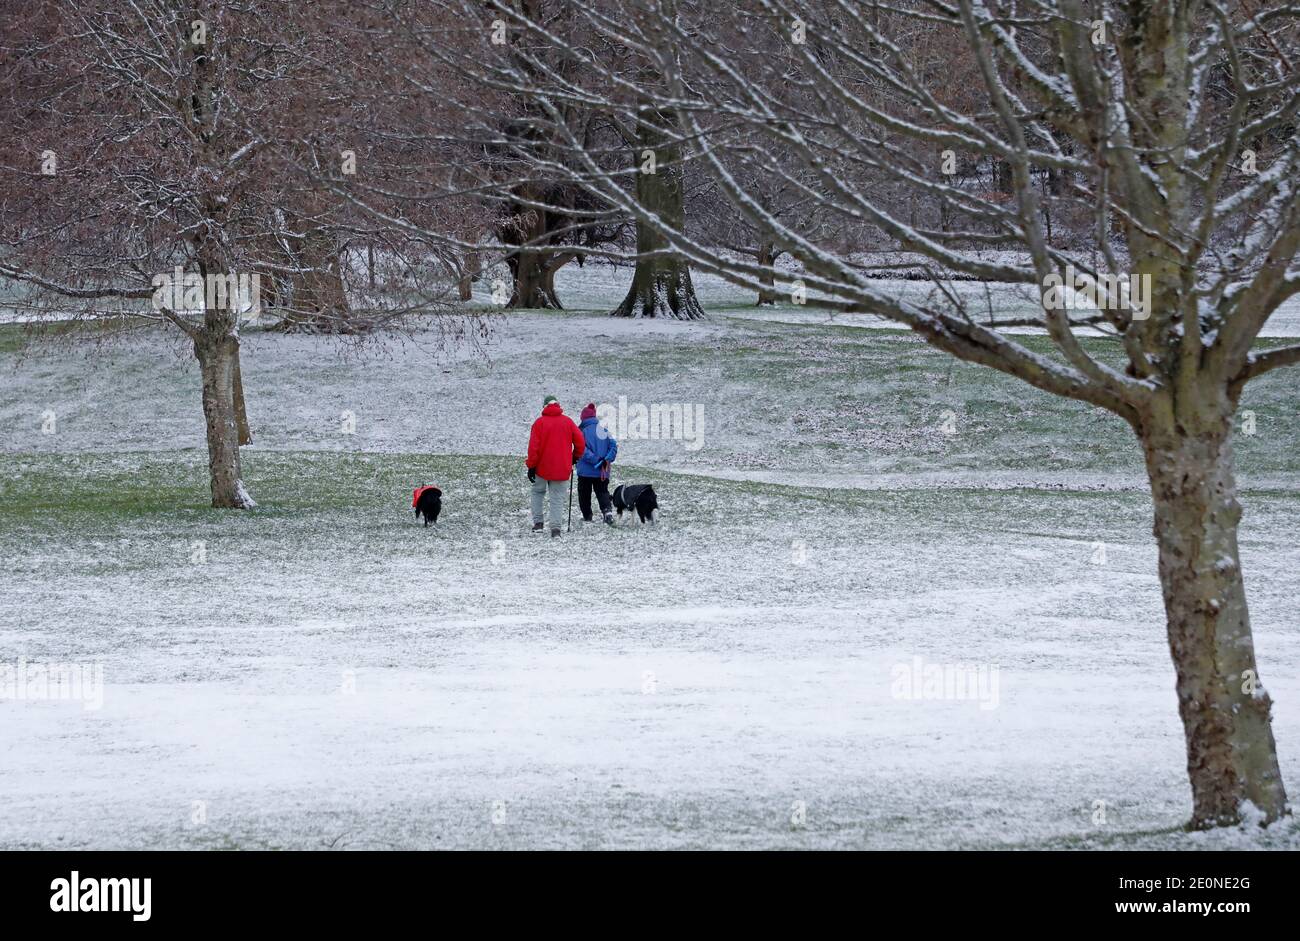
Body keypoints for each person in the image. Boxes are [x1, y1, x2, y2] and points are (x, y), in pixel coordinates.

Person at [526, 394, 585, 537]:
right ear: (558, 405)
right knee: (557, 498)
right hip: (562, 468)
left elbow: (534, 447)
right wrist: (574, 457)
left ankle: (538, 523)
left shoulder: (539, 423)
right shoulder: (568, 422)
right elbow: (581, 443)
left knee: (537, 493)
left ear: (544, 407)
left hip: (542, 467)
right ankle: (556, 530)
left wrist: (531, 466)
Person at [575, 402, 618, 525]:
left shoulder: (581, 431)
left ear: (583, 418)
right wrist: (606, 459)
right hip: (602, 471)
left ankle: (587, 515)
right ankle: (607, 512)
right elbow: (613, 446)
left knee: (584, 494)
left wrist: (596, 460)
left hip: (585, 471)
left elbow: (581, 449)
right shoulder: (604, 430)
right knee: (602, 491)